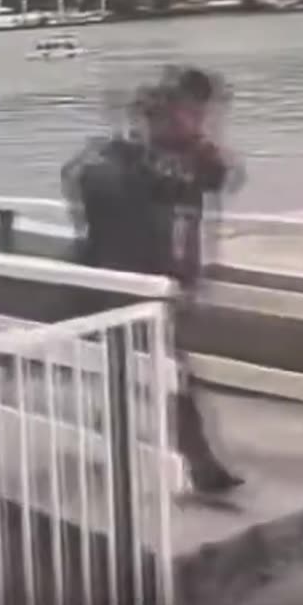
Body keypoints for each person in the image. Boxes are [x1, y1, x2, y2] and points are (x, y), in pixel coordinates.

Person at [61, 65, 245, 495]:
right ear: (158, 116)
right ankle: (203, 469)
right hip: (122, 283)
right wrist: (148, 164)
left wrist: (201, 160)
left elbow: (217, 182)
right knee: (168, 372)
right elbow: (89, 187)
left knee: (136, 370)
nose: (198, 123)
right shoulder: (114, 158)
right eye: (188, 113)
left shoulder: (192, 159)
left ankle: (108, 437)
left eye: (201, 113)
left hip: (165, 284)